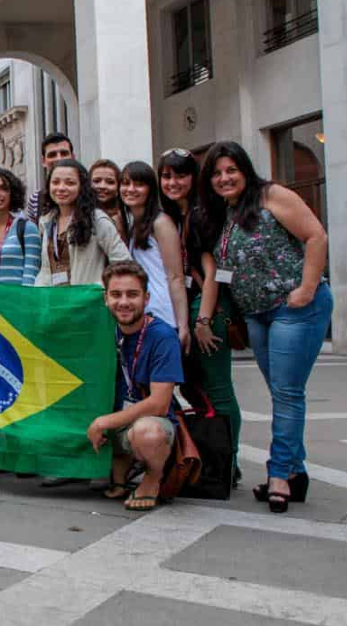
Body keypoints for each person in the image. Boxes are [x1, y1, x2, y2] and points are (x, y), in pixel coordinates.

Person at [200, 141, 331, 513]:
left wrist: (306, 288)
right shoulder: (224, 213)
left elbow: (315, 236)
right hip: (257, 315)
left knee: (288, 393)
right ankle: (296, 472)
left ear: (245, 170)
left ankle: (278, 474)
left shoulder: (272, 195)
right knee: (281, 392)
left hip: (294, 309)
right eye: (217, 173)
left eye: (231, 170)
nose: (224, 178)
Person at [159, 148, 240, 482]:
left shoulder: (201, 214)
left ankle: (228, 463)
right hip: (189, 307)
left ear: (194, 178)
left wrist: (204, 321)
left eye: (180, 175)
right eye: (166, 176)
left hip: (207, 309)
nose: (173, 182)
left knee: (218, 389)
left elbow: (211, 273)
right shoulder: (175, 215)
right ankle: (214, 457)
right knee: (194, 387)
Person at [88, 262, 183, 513]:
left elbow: (160, 404)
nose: (124, 302)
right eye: (116, 295)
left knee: (147, 433)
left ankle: (153, 477)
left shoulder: (162, 336)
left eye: (132, 294)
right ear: (105, 298)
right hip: (115, 424)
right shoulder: (103, 329)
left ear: (146, 298)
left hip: (149, 422)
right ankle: (120, 467)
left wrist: (103, 422)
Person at [120, 162, 190, 349]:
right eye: (125, 183)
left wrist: (183, 325)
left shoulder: (161, 222)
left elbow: (175, 277)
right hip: (142, 313)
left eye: (139, 184)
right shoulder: (131, 224)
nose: (130, 189)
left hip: (163, 316)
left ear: (151, 189)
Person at [35, 160, 131, 287]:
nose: (61, 188)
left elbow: (124, 264)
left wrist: (98, 288)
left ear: (82, 186)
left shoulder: (97, 219)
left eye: (70, 183)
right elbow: (46, 270)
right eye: (55, 182)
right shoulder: (47, 221)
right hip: (55, 303)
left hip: (87, 303)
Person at [27, 134, 74, 220]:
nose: (59, 158)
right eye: (52, 155)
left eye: (64, 153)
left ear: (73, 157)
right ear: (43, 161)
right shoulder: (36, 199)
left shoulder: (89, 193)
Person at [89, 159, 127, 238]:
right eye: (97, 181)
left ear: (118, 187)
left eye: (110, 182)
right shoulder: (78, 214)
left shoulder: (124, 218)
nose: (102, 186)